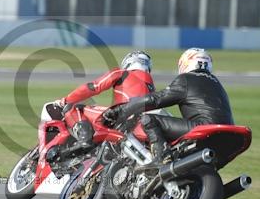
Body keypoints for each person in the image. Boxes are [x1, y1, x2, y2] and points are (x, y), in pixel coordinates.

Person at [103, 48, 234, 166]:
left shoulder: (186, 79)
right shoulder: (217, 84)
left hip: (204, 128)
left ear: (185, 64)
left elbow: (154, 100)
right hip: (229, 135)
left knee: (149, 120)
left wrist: (120, 110)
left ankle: (160, 160)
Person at [55, 50, 155, 148]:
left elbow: (94, 87)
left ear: (129, 62)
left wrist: (66, 99)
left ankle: (84, 140)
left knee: (73, 108)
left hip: (122, 120)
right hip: (145, 126)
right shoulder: (151, 86)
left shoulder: (121, 73)